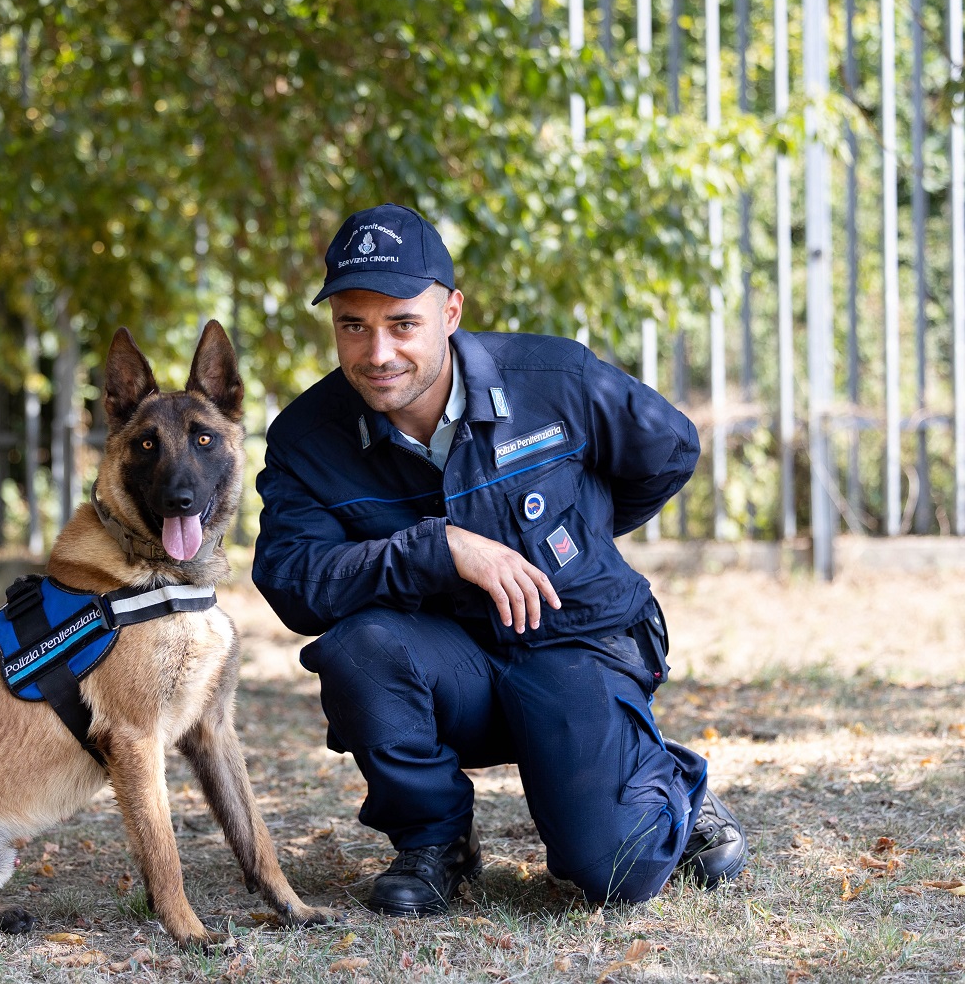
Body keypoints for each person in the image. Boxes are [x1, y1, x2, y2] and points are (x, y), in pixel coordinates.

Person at [252, 203, 746, 916]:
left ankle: (668, 778)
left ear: (451, 312)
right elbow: (294, 581)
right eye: (352, 325)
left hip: (576, 643)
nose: (377, 352)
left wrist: (592, 532)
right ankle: (434, 842)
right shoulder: (306, 438)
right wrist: (437, 548)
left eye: (402, 323)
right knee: (357, 649)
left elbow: (670, 450)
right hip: (450, 667)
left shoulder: (553, 377)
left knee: (613, 871)